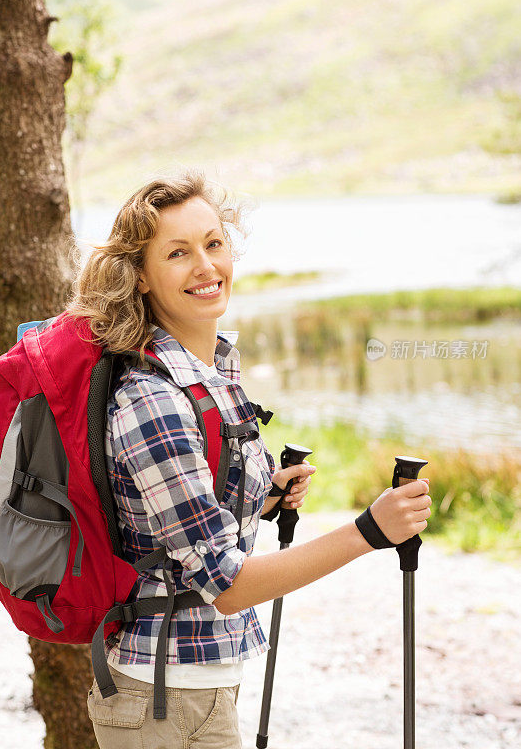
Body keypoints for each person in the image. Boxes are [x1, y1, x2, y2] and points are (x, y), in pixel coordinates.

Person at [65, 169, 432, 749]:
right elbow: (225, 584)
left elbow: (181, 516)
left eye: (214, 243)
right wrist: (368, 531)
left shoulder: (213, 369)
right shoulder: (152, 398)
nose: (206, 266)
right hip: (160, 697)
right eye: (178, 253)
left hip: (200, 682)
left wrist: (266, 496)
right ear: (140, 276)